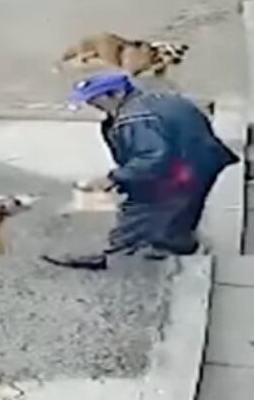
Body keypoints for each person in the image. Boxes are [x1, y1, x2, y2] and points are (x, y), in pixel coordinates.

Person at [43, 70, 238, 270]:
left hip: (182, 169)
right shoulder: (148, 100)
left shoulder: (136, 118)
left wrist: (115, 178)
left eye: (95, 99)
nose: (91, 104)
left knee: (142, 208)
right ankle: (177, 245)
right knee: (178, 210)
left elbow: (152, 158)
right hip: (197, 160)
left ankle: (118, 254)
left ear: (117, 94)